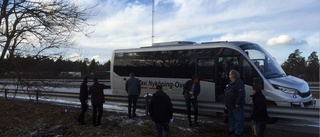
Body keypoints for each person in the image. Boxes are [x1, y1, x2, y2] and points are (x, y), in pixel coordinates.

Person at [225, 70, 245, 136]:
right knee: (231, 118)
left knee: (238, 119)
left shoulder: (239, 83)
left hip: (236, 105)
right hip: (230, 104)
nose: (229, 76)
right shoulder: (230, 83)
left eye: (230, 74)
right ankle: (232, 129)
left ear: (233, 75)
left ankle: (238, 132)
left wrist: (238, 103)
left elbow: (241, 94)